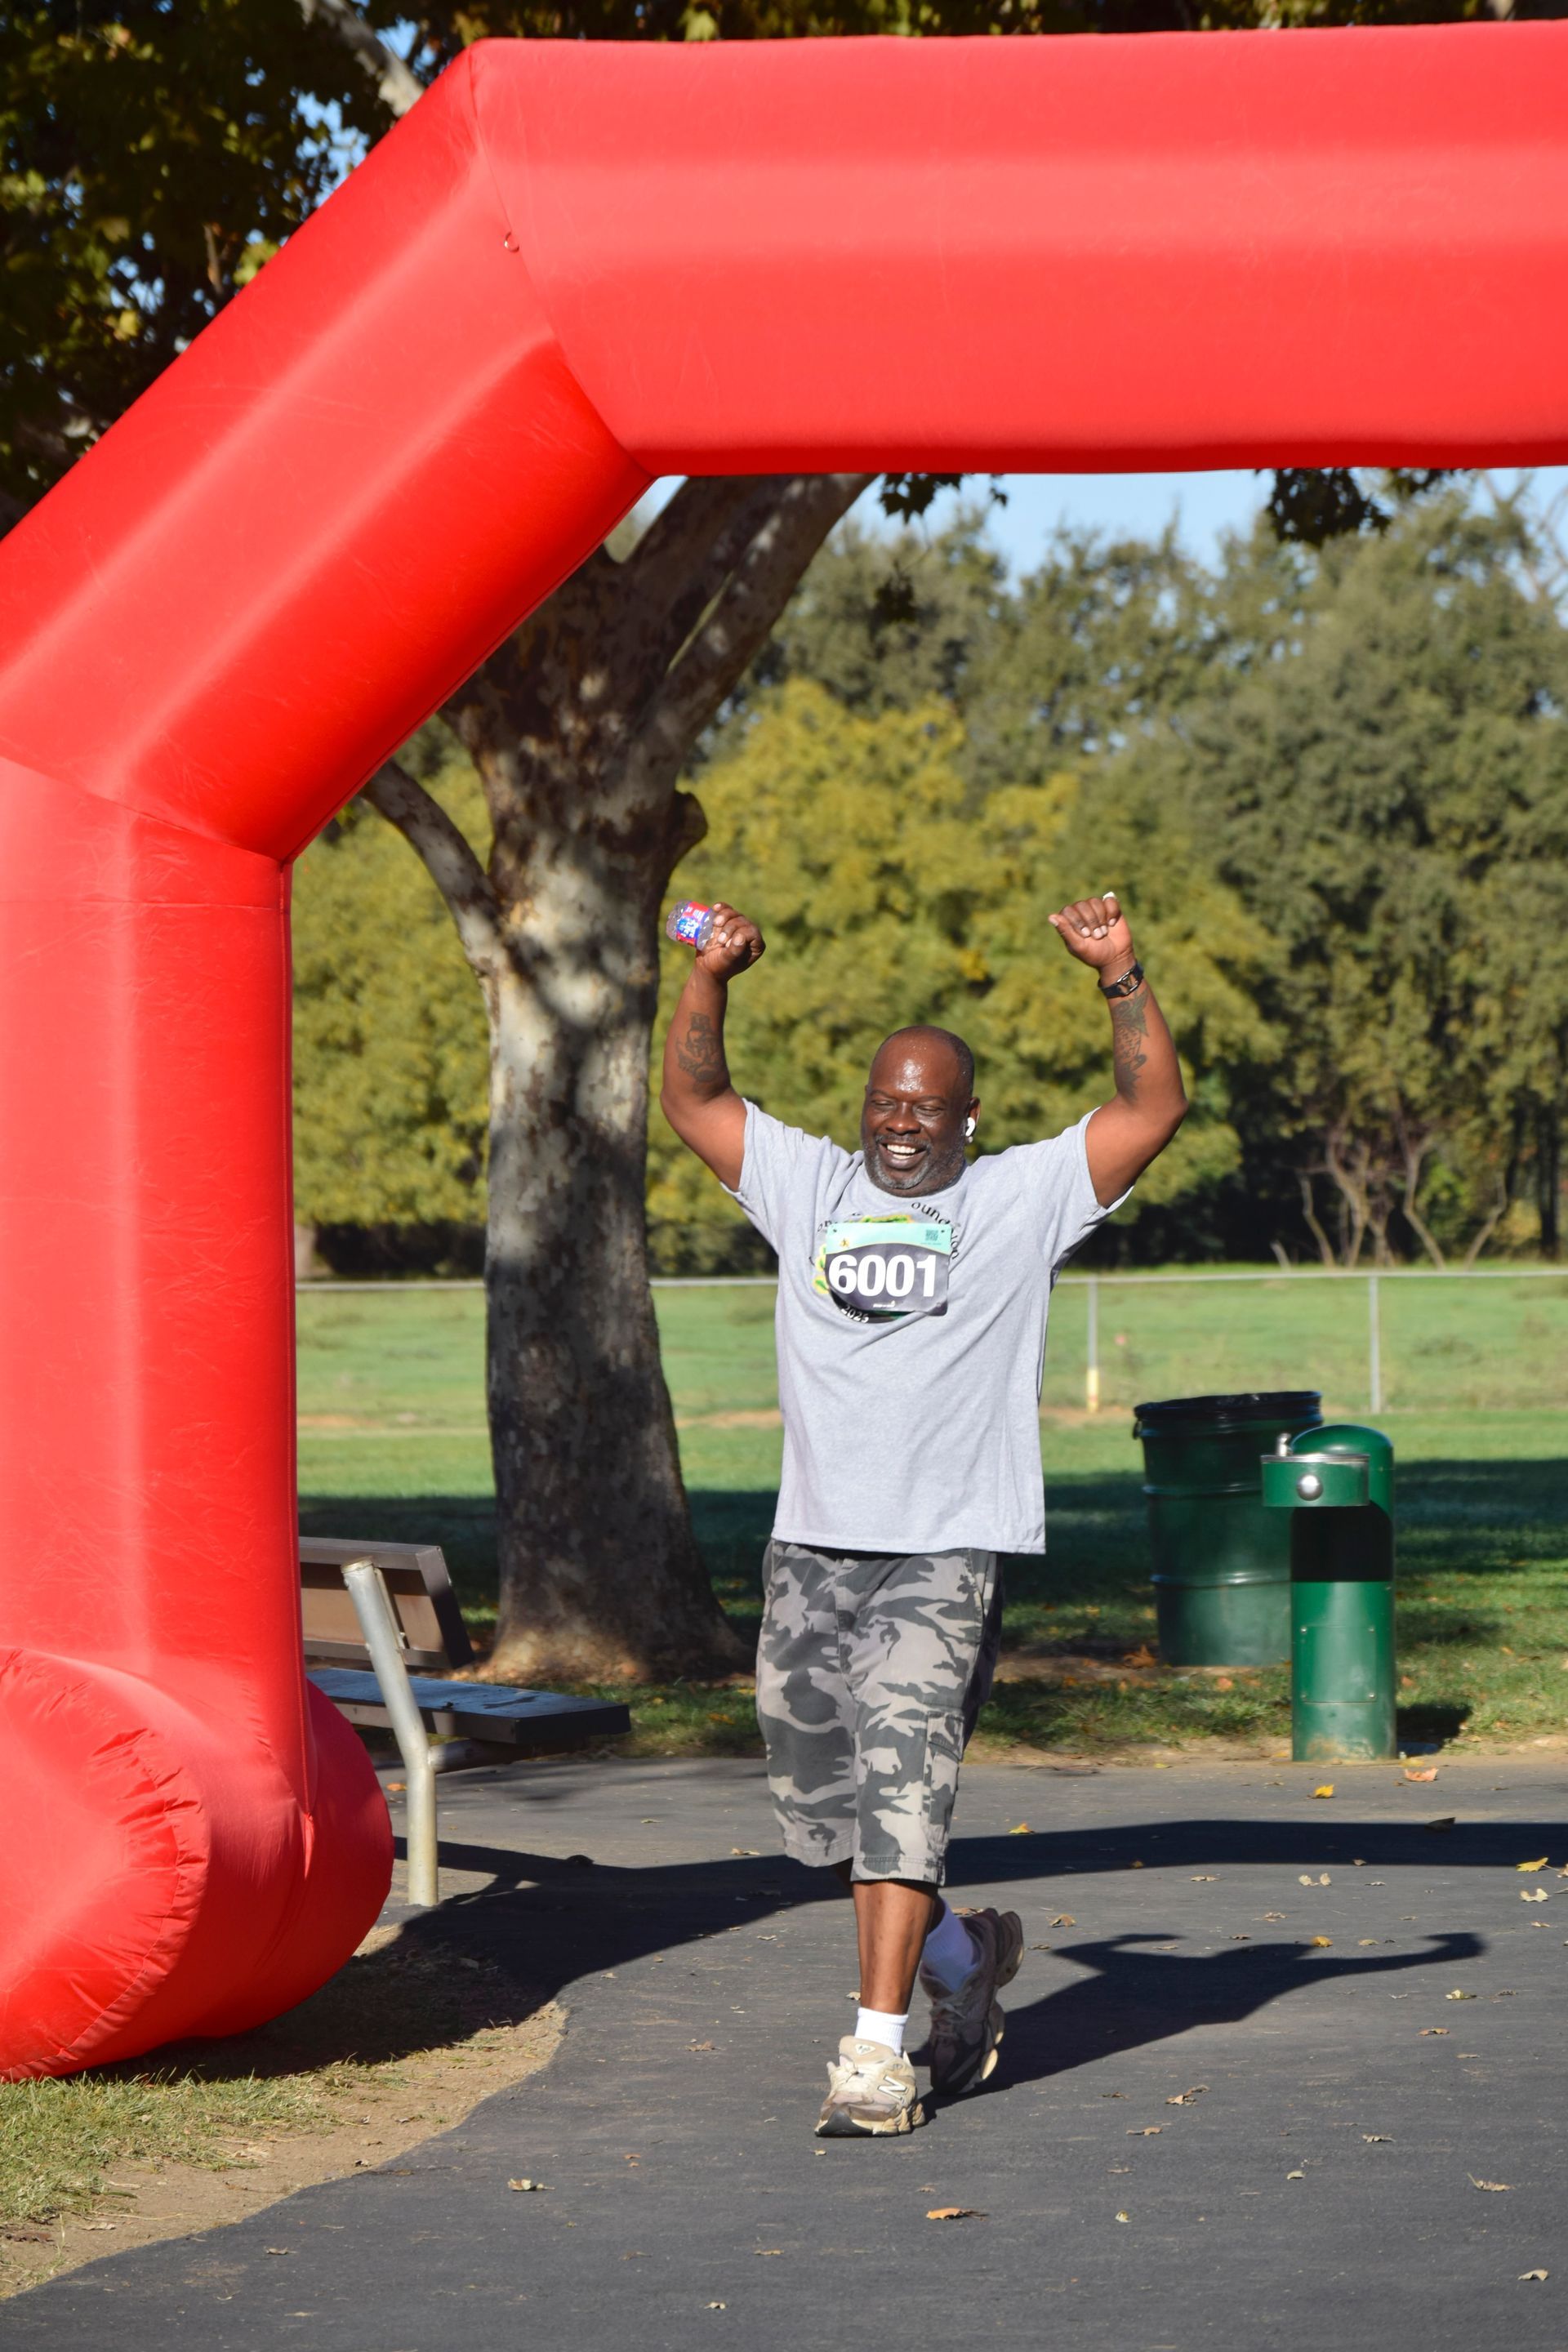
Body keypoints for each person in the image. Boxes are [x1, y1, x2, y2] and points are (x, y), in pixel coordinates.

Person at [659, 889, 1186, 2136]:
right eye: (885, 1105)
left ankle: (878, 2054)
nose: (901, 1127)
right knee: (821, 1808)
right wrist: (709, 980)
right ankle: (964, 1956)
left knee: (905, 1783)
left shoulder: (1020, 1197)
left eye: (925, 1108)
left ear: (969, 1118)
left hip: (945, 1550)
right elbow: (692, 1101)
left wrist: (1120, 974)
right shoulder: (805, 1183)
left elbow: (1151, 1107)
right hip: (812, 1548)